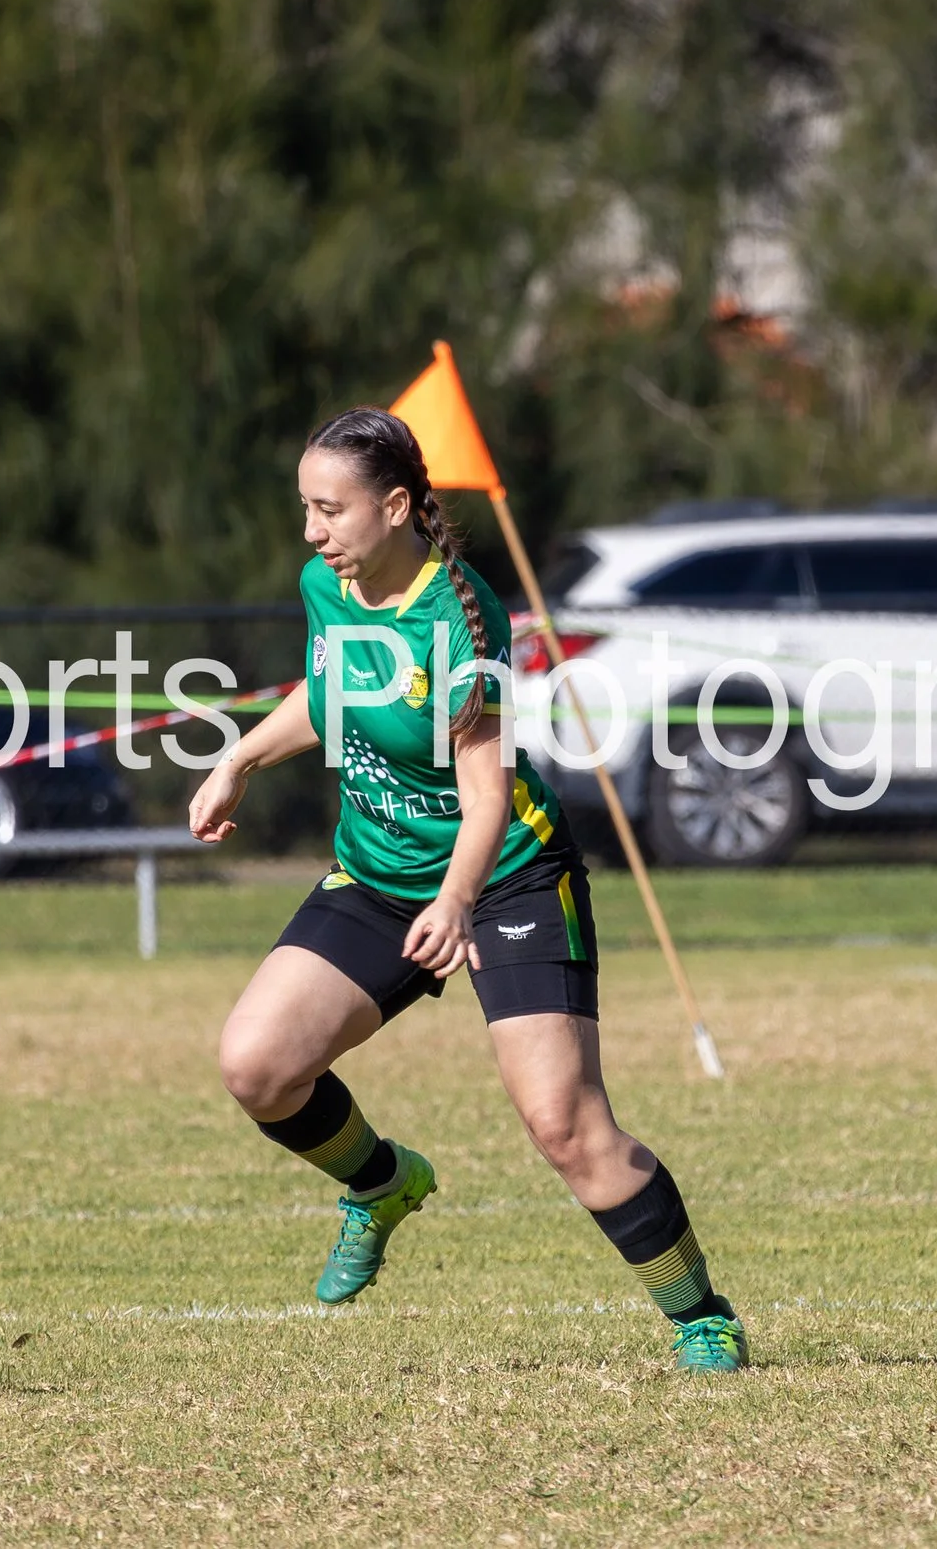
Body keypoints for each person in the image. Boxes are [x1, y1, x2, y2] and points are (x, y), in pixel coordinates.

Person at [187, 406, 748, 1373]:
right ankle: (381, 1183)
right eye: (306, 508)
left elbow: (487, 794)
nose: (312, 531)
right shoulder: (329, 584)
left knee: (566, 1127)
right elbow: (332, 694)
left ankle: (703, 1315)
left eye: (330, 510)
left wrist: (454, 900)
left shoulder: (459, 616)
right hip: (380, 871)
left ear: (395, 506)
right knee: (258, 1065)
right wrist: (240, 758)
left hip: (505, 873)